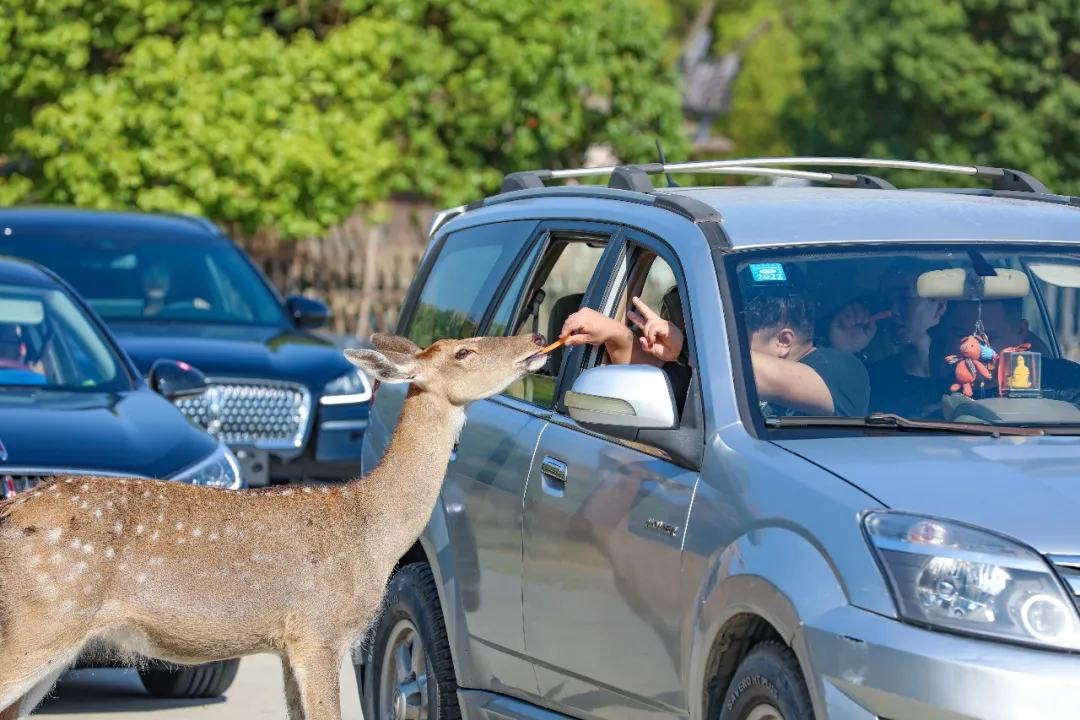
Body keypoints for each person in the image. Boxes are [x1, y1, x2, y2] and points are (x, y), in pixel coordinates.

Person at [560, 280, 870, 418]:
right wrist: (615, 332)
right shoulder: (710, 364)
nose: (724, 343)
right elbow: (660, 381)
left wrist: (686, 347)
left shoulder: (842, 370)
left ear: (784, 341)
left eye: (734, 336)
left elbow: (772, 378)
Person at [829, 260, 948, 417]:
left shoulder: (968, 374)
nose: (892, 311)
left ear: (939, 307)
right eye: (886, 303)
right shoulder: (872, 382)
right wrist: (843, 352)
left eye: (905, 300)